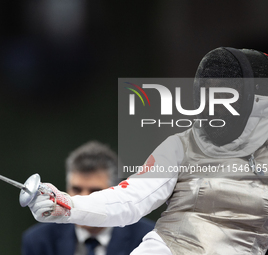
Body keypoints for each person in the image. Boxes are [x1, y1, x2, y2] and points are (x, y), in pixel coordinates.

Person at [27, 47, 268, 254]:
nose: (214, 105)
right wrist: (68, 206)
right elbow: (131, 197)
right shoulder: (183, 144)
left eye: (225, 94)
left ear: (256, 100)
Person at [21, 141, 155, 255]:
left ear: (116, 193)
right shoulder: (39, 241)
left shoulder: (148, 239)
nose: (84, 198)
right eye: (76, 189)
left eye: (95, 191)